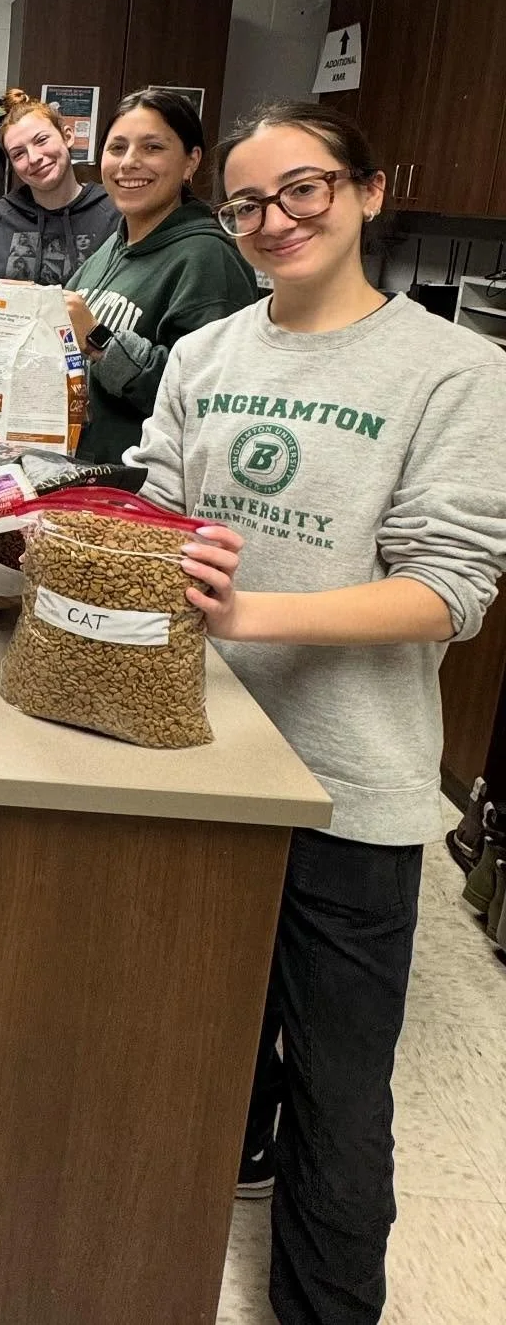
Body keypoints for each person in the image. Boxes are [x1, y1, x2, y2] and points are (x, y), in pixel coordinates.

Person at [137, 100, 506, 1325]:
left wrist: (253, 617)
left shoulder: (455, 372)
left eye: (303, 190)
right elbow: (161, 510)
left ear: (366, 191)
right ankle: (237, 1147)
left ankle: (327, 1306)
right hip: (201, 748)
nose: (274, 221)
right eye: (247, 204)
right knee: (203, 1021)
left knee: (343, 1095)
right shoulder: (209, 357)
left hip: (353, 778)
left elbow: (448, 593)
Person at [64, 86, 256, 463]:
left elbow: (203, 401)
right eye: (117, 148)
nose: (129, 162)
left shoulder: (209, 258)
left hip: (141, 493)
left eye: (152, 148)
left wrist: (98, 339)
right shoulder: (111, 247)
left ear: (190, 161)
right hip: (80, 476)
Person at [0, 92, 117, 287]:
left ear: (68, 136)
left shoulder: (113, 213)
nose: (34, 158)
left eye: (41, 140)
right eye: (18, 153)